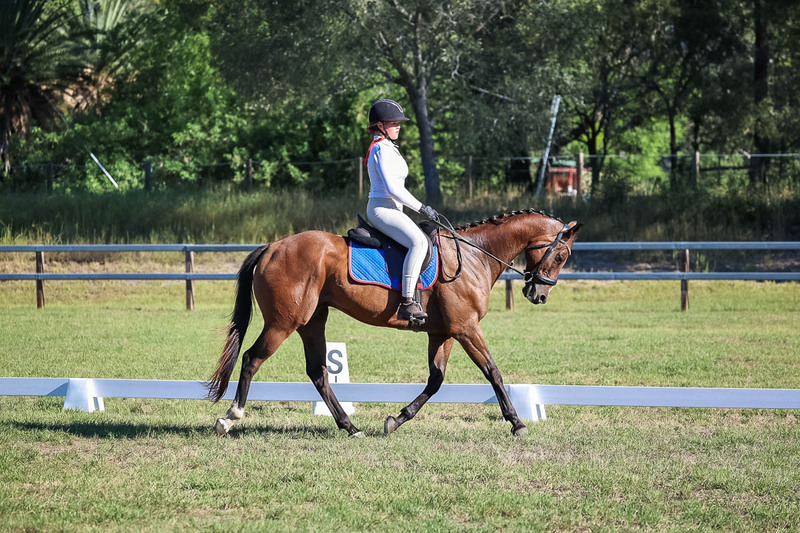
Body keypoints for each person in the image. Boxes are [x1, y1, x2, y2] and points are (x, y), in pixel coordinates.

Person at [364, 99, 439, 323]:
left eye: (398, 122)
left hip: (393, 209)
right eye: (393, 123)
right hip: (381, 209)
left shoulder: (389, 148)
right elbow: (394, 189)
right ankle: (407, 303)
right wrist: (421, 208)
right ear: (380, 125)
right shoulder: (381, 149)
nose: (398, 126)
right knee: (419, 242)